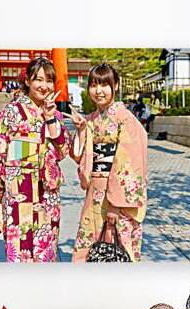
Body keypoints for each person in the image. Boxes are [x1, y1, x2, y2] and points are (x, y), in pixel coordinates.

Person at [0, 57, 70, 263]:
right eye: (39, 80)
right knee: (19, 248)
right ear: (27, 80)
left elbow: (63, 151)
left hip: (48, 193)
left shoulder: (56, 114)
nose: (44, 86)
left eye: (49, 81)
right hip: (18, 189)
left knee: (47, 247)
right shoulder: (11, 112)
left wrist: (51, 119)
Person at [69, 63, 148, 262]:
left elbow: (129, 164)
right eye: (94, 85)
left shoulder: (126, 119)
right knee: (90, 246)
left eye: (104, 85)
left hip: (117, 198)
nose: (98, 91)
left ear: (116, 85)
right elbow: (79, 154)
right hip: (95, 192)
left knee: (118, 248)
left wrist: (116, 205)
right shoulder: (93, 119)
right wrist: (81, 129)